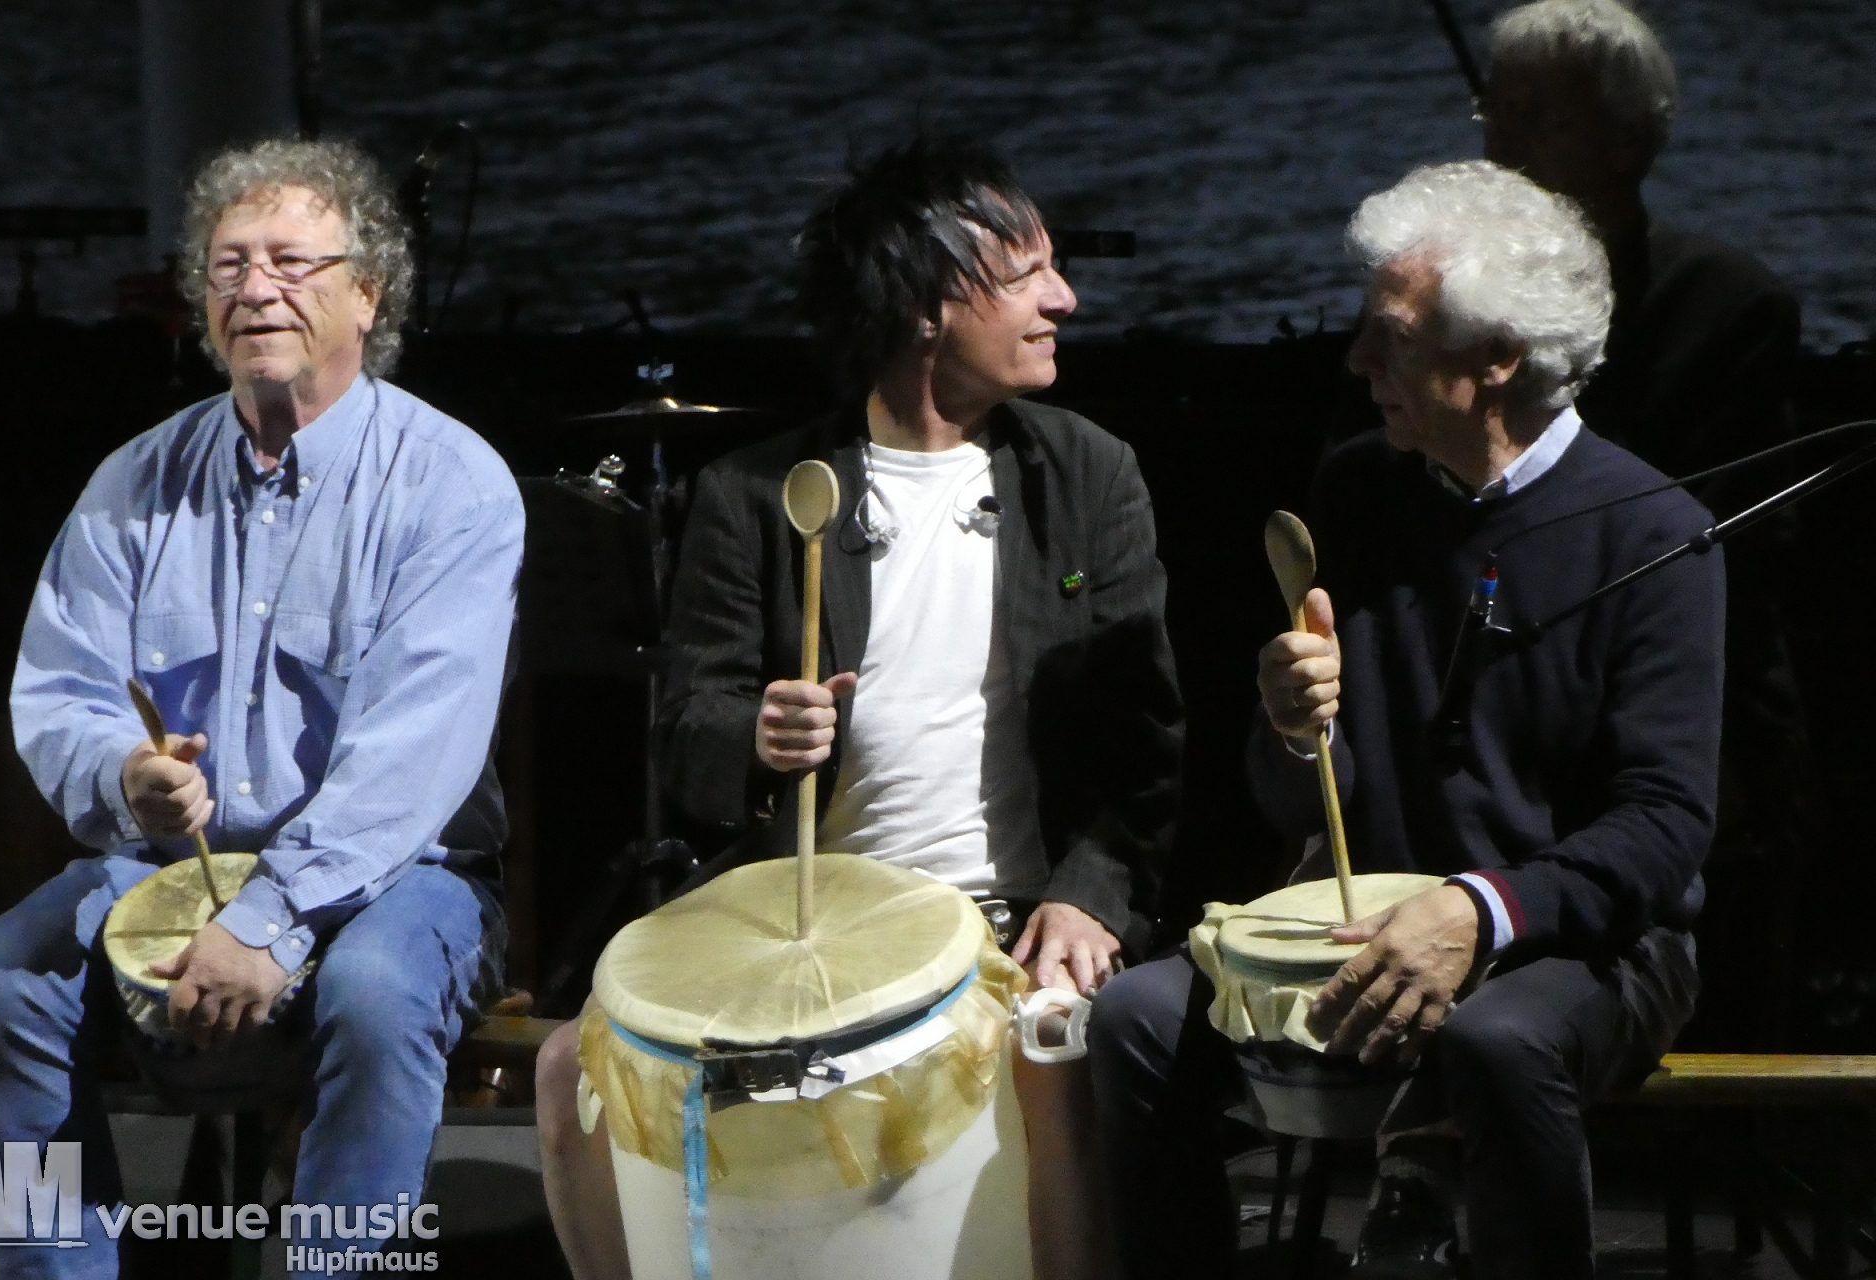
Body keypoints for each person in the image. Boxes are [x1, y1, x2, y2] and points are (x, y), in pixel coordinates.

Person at [534, 135, 1184, 1278]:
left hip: (1004, 915)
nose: (1064, 299)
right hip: (806, 921)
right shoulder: (756, 494)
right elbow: (687, 731)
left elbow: (1146, 745)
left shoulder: (1089, 476)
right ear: (928, 307)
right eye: (1027, 274)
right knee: (562, 1073)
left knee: (1054, 1046)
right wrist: (758, 734)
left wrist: (1091, 897)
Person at [1088, 160, 1721, 1280]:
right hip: (1367, 911)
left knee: (1496, 1037)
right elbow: (1296, 807)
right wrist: (1297, 730)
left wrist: (1481, 909)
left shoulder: (1656, 533)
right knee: (1136, 1016)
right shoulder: (1359, 491)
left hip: (1581, 938)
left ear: (1498, 357)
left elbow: (1666, 825)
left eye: (1391, 336)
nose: (1356, 361)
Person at [0, 138, 523, 1278]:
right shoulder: (132, 483)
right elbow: (62, 688)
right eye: (229, 265)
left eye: (291, 262)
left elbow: (412, 759)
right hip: (172, 865)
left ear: (368, 295)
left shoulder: (452, 484)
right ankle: (42, 1263)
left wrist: (269, 918)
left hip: (399, 872)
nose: (256, 287)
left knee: (373, 993)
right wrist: (125, 775)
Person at [1481, 0, 1809, 1050]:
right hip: (1500, 690)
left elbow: (1734, 547)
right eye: (1494, 112)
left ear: (1627, 142)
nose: (1500, 143)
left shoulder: (1728, 305)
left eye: (1538, 118)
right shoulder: (1446, 314)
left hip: (1676, 693)